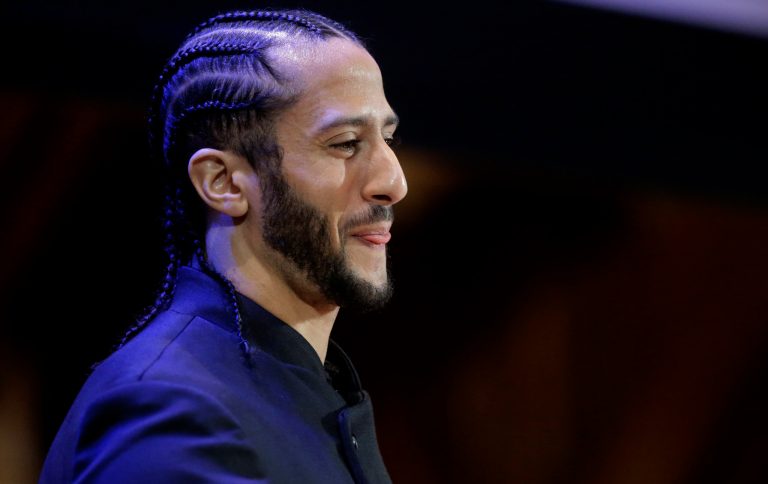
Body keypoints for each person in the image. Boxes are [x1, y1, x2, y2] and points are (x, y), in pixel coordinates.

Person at [40, 8, 406, 484]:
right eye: (344, 143)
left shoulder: (304, 384)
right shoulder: (173, 414)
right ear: (223, 182)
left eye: (389, 138)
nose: (393, 182)